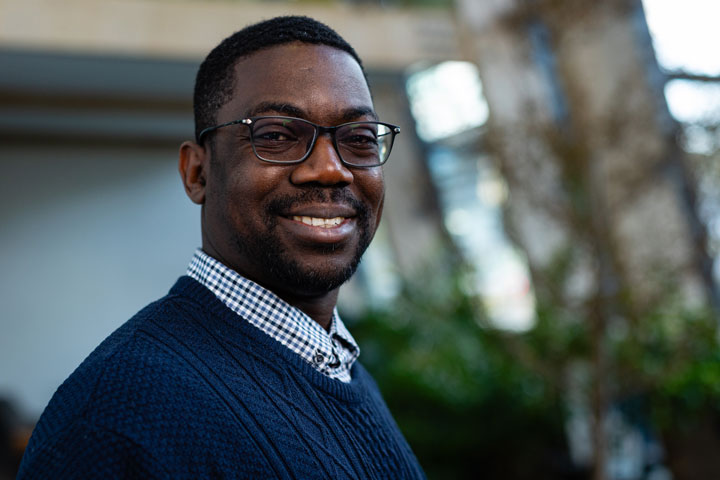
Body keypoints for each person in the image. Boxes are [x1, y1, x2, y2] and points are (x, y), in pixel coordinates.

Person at [18, 15, 424, 479]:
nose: (330, 169)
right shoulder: (116, 418)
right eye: (276, 135)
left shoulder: (340, 367)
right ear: (197, 173)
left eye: (358, 139)